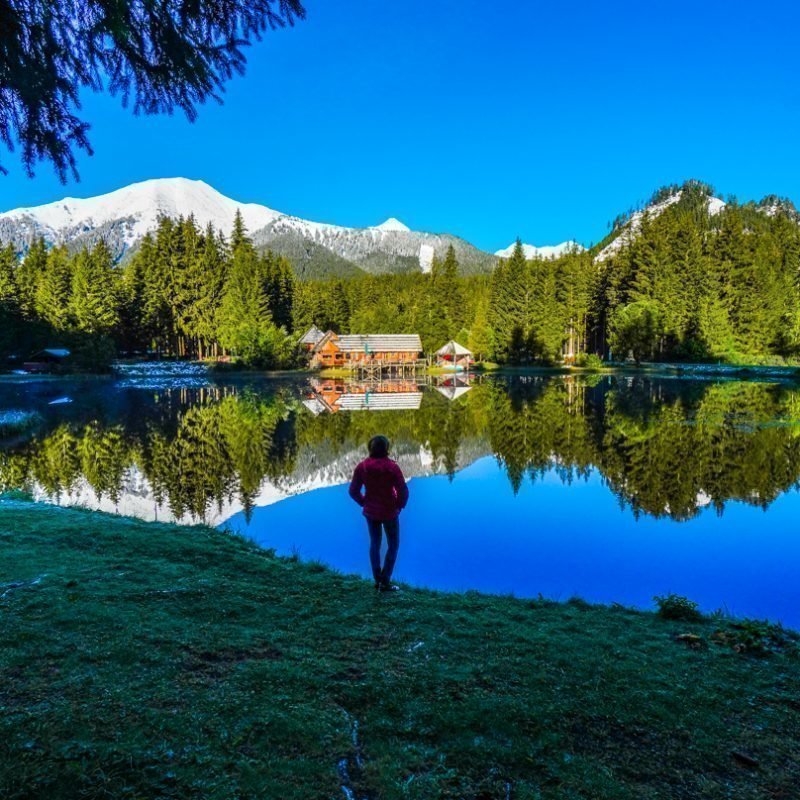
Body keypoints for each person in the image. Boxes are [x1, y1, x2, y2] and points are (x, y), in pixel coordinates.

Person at [349, 435, 409, 592]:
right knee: (393, 544)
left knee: (374, 544)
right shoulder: (392, 468)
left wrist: (364, 502)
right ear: (386, 449)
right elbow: (403, 491)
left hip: (371, 513)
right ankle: (385, 581)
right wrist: (399, 505)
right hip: (389, 512)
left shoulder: (362, 467)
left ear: (370, 449)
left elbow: (353, 491)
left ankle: (377, 580)